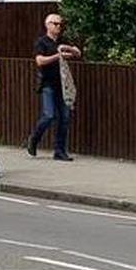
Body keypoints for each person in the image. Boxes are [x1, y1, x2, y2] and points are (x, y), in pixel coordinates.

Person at [26, 14, 82, 161]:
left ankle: (60, 151)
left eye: (60, 24)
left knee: (64, 117)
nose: (58, 27)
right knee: (48, 115)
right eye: (55, 24)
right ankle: (34, 139)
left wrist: (69, 50)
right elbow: (40, 61)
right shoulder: (42, 42)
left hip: (62, 85)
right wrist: (58, 56)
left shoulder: (62, 41)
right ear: (48, 25)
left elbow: (77, 52)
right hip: (48, 84)